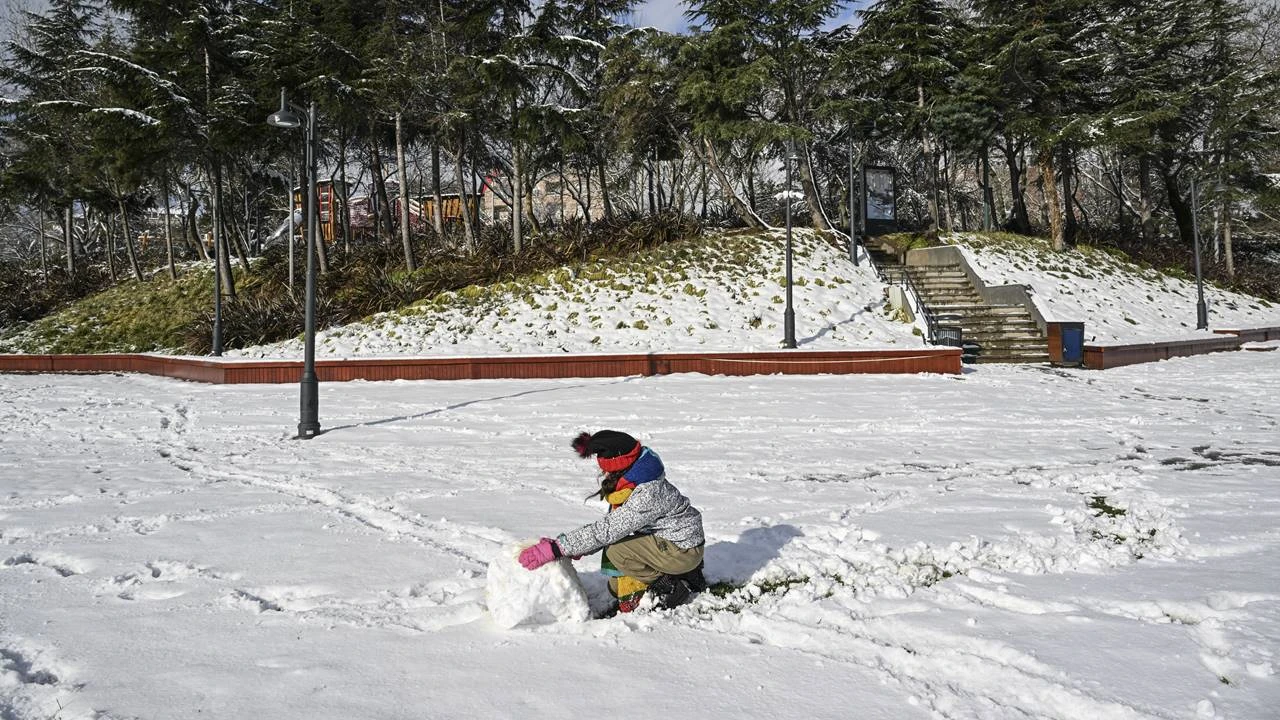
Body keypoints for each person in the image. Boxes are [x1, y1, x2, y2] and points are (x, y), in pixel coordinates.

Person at [518, 430, 707, 616]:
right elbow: (612, 525)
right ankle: (684, 573)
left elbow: (609, 530)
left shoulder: (647, 493)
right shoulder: (637, 479)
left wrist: (559, 548)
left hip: (683, 550)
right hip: (678, 541)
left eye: (607, 470)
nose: (604, 475)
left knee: (618, 553)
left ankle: (670, 587)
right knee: (616, 586)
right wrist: (575, 547)